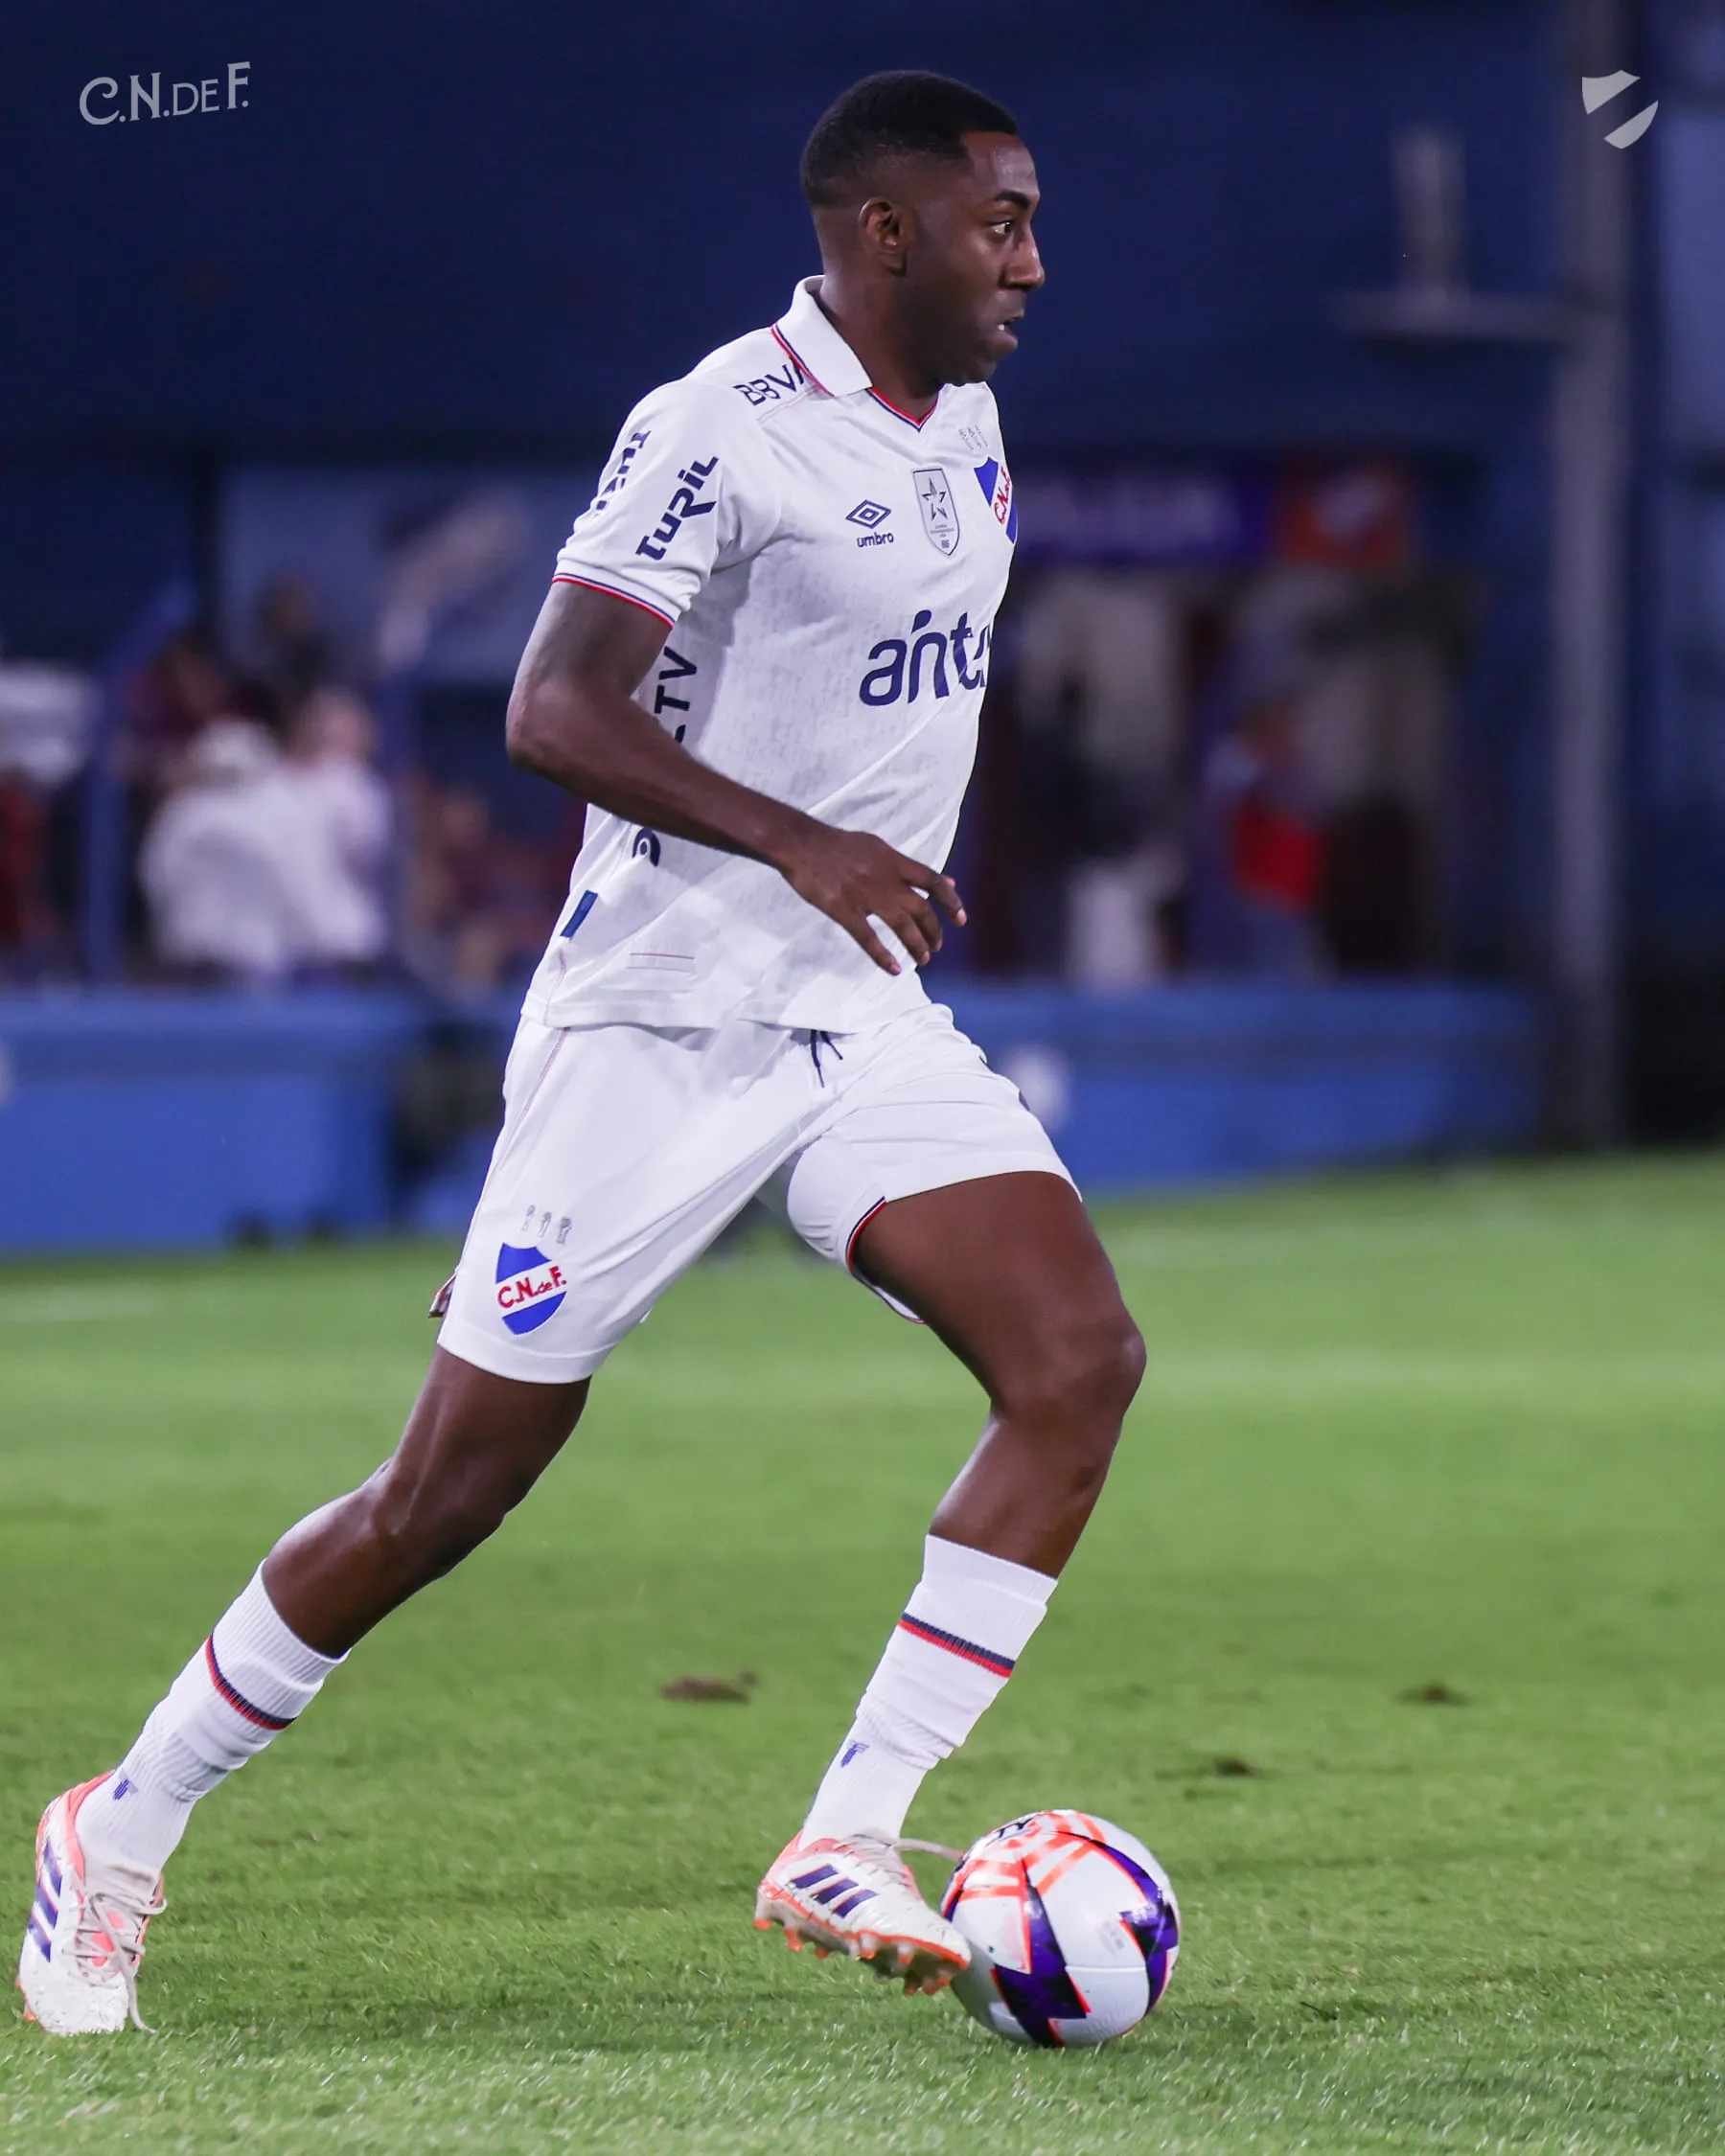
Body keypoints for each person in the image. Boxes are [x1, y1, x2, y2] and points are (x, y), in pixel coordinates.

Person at [19, 70, 1146, 2036]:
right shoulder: (714, 428)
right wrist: (804, 842)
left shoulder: (965, 416)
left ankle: (851, 1831)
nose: (1034, 262)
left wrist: (840, 880)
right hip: (657, 1019)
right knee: (443, 1496)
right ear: (883, 233)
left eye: (1033, 221)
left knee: (1078, 1363)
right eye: (1002, 224)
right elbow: (550, 707)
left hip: (855, 1018)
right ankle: (116, 1829)